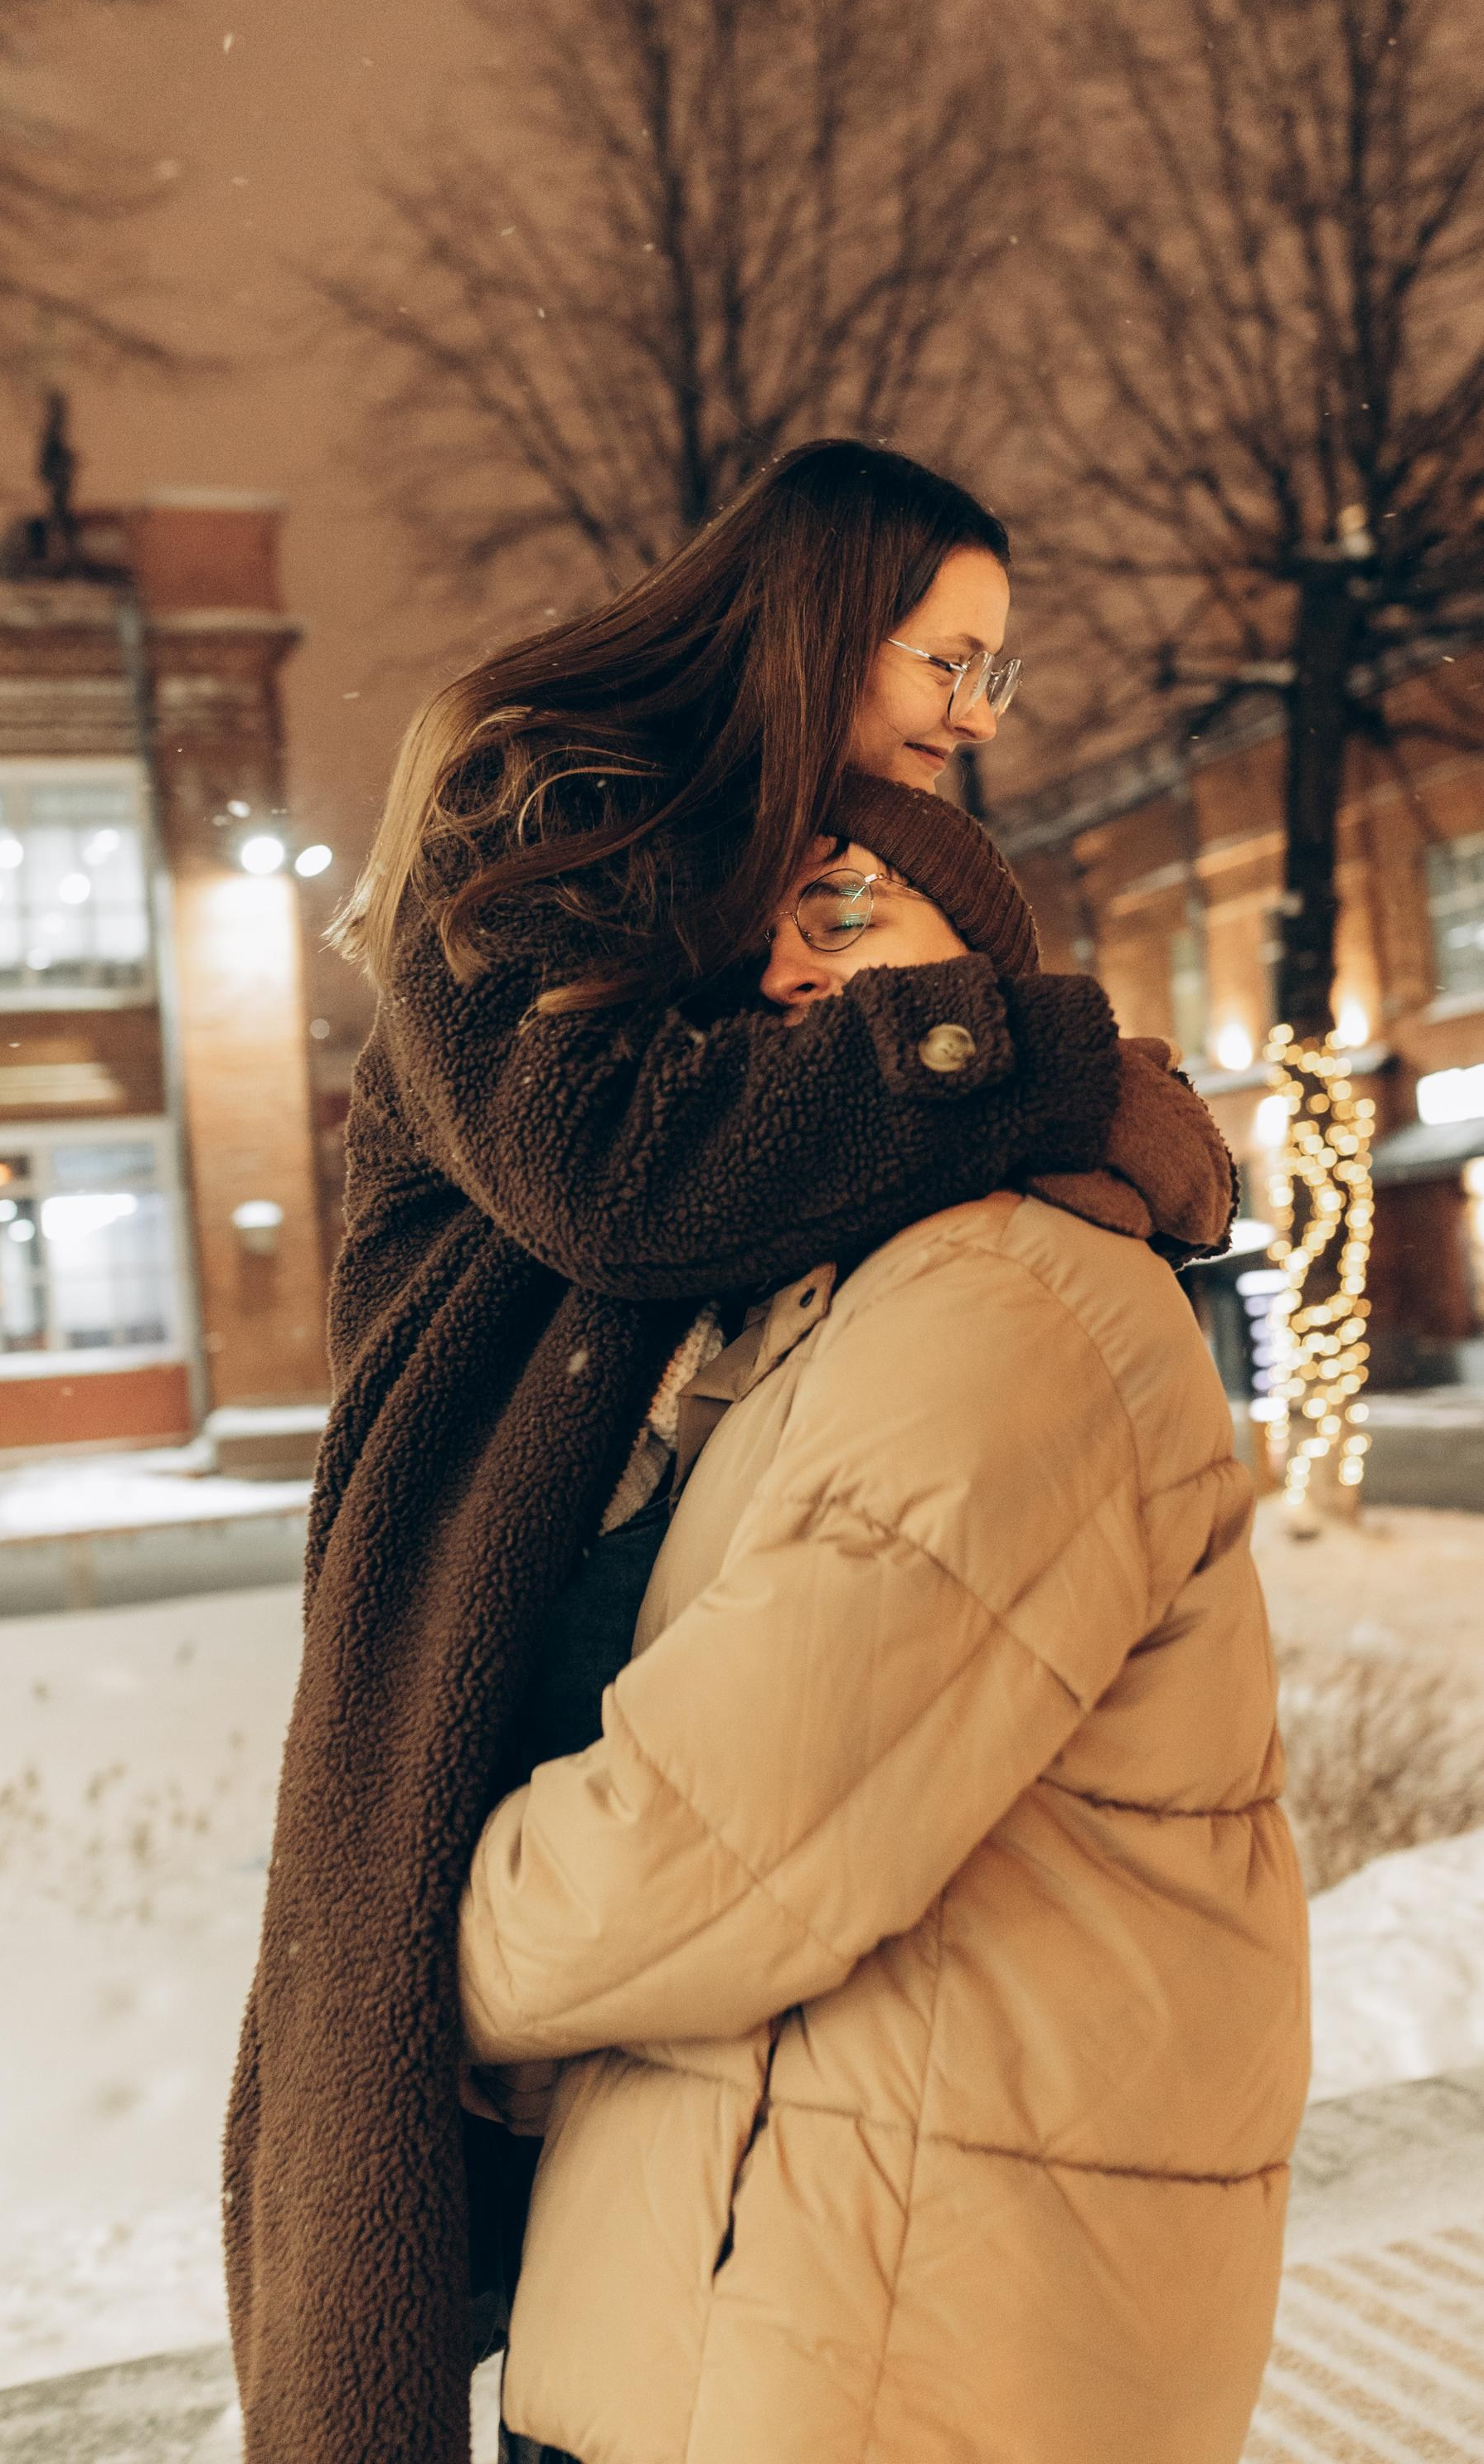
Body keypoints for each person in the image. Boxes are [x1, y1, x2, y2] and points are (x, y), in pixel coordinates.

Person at [221, 440, 1234, 2464]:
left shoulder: (756, 902)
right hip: (477, 1568)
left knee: (528, 2224)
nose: (973, 712)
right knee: (397, 2207)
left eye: (996, 674)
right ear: (818, 618)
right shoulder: (533, 815)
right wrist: (1036, 1059)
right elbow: (615, 1182)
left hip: (630, 1593)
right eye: (946, 658)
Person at [457, 797, 1307, 2464]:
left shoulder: (1006, 1300)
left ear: (984, 985)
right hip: (781, 2276)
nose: (789, 968)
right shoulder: (835, 1296)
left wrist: (400, 1961)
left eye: (850, 910)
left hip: (870, 2337)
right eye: (752, 929)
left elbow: (710, 1855)